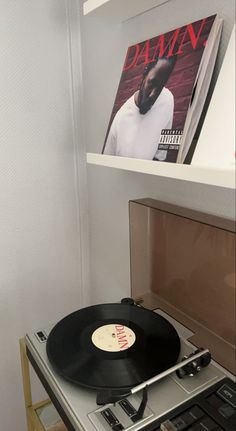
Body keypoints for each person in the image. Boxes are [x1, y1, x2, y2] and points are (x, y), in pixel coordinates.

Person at [103, 54, 177, 160]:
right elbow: (107, 163)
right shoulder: (120, 117)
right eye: (152, 83)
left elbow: (163, 152)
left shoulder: (169, 98)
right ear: (145, 74)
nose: (153, 95)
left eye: (160, 86)